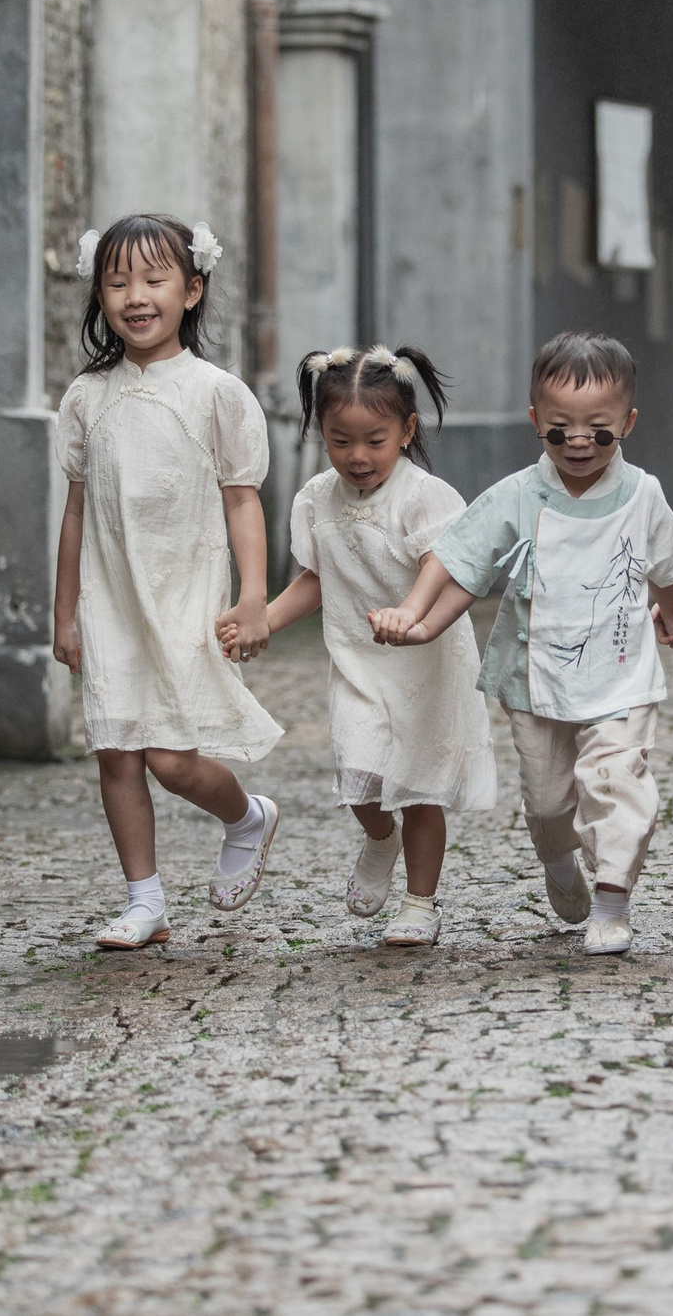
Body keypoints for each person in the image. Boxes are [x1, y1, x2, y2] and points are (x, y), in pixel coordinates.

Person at [370, 333, 673, 957]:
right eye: (560, 430)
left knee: (616, 781)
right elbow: (461, 558)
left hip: (620, 675)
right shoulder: (519, 494)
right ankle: (560, 862)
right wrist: (417, 614)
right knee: (548, 804)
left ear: (627, 422)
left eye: (599, 432)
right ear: (535, 422)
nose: (579, 442)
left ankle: (612, 899)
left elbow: (666, 564)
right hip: (535, 675)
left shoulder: (644, 494)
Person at [53, 214, 284, 951]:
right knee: (116, 749)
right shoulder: (89, 396)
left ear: (192, 289)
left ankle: (247, 815)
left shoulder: (216, 392)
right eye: (117, 281)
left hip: (187, 593)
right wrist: (67, 614)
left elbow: (242, 496)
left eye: (154, 279)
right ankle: (144, 899)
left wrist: (252, 596)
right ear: (99, 292)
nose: (135, 295)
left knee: (171, 757)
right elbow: (77, 508)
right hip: (112, 597)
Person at [220, 346, 495, 947]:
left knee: (419, 787)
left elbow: (443, 563)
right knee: (359, 774)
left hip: (425, 661)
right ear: (321, 433)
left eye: (375, 439)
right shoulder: (317, 498)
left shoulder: (425, 496)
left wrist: (410, 612)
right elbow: (318, 578)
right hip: (357, 660)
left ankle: (421, 902)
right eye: (341, 440)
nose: (358, 456)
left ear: (407, 430)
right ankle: (379, 838)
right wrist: (261, 619)